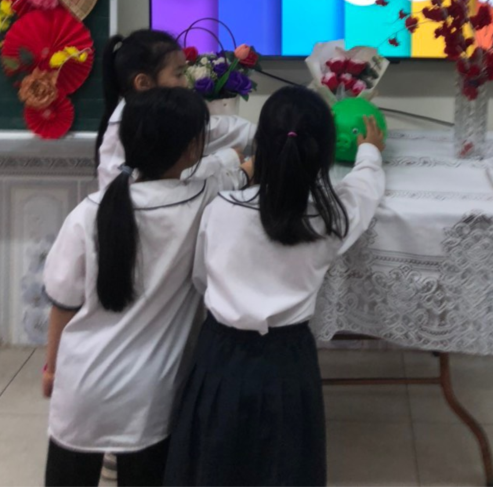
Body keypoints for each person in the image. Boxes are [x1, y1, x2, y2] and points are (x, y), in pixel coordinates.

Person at [164, 86, 386, 487]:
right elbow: (363, 192)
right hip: (288, 362)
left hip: (219, 355)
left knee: (213, 460)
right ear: (323, 155)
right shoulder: (330, 220)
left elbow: (201, 279)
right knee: (284, 466)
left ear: (261, 147)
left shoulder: (222, 209)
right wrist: (369, 152)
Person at [42, 88, 252, 487]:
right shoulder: (204, 199)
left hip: (82, 387)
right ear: (192, 148)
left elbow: (63, 304)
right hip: (151, 397)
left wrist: (51, 368)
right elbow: (242, 172)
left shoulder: (88, 212)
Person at [95, 30, 255, 190]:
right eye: (178, 74)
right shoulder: (122, 138)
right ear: (143, 83)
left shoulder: (164, 115)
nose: (186, 83)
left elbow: (219, 130)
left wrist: (262, 135)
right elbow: (163, 185)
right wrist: (226, 160)